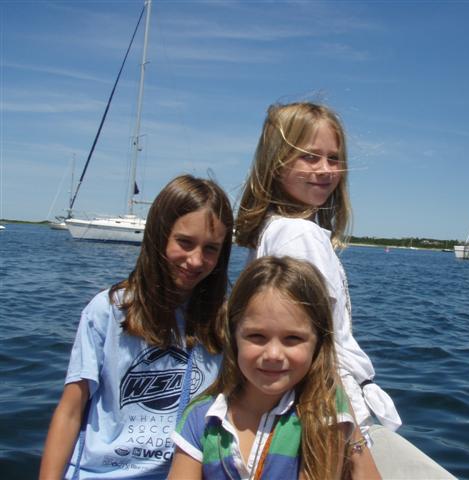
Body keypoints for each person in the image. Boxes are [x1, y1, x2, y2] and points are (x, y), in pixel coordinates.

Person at [39, 174, 234, 479]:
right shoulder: (107, 311)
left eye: (211, 248)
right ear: (159, 236)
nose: (196, 260)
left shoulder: (226, 321)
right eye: (184, 242)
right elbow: (71, 410)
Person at [234, 102, 401, 435]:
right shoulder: (300, 236)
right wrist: (350, 434)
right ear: (276, 163)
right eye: (309, 157)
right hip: (329, 407)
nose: (325, 169)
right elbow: (317, 346)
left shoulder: (275, 229)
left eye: (333, 158)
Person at [168, 256, 380, 480]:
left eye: (293, 338)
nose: (273, 354)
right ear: (233, 336)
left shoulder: (323, 409)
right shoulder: (200, 417)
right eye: (257, 336)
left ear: (318, 343)